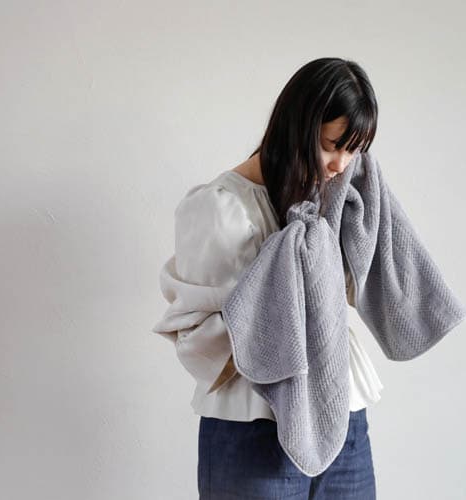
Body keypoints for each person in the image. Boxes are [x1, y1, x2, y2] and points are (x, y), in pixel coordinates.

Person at [154, 57, 383, 499]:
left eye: (354, 149)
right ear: (298, 129)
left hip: (344, 419)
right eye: (332, 145)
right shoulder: (220, 207)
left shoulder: (332, 199)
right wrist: (281, 299)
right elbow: (197, 333)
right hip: (254, 428)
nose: (342, 164)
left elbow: (358, 289)